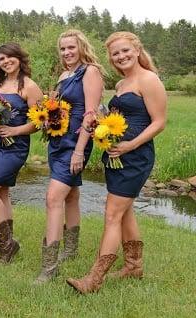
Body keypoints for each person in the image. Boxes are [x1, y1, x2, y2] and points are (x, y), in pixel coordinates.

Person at [67, 31, 166, 294]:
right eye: (115, 54)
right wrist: (99, 119)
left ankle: (94, 280)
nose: (120, 56)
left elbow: (159, 122)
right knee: (124, 212)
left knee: (112, 214)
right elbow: (119, 117)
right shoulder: (122, 84)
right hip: (115, 156)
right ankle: (134, 266)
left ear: (136, 49)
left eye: (124, 51)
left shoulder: (149, 79)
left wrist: (131, 145)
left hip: (135, 157)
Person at [35, 29, 105, 284]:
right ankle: (71, 250)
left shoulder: (90, 71)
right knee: (71, 196)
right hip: (57, 141)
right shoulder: (64, 75)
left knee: (53, 198)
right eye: (62, 48)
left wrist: (78, 150)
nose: (66, 52)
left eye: (71, 47)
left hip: (76, 142)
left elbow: (91, 114)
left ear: (81, 47)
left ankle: (49, 268)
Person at [0, 43, 43, 263]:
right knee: (2, 192)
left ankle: (8, 246)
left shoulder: (30, 86)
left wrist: (15, 130)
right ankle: (4, 242)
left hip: (13, 147)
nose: (5, 62)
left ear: (19, 58)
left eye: (10, 57)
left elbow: (38, 122)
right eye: (1, 59)